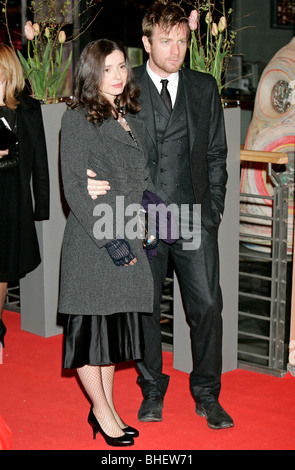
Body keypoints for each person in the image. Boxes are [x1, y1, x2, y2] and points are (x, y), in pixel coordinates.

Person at [87, 1, 234, 430]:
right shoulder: (125, 89)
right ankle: (152, 388)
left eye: (182, 40)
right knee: (145, 308)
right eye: (166, 41)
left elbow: (216, 156)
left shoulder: (204, 88)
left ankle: (207, 393)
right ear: (147, 42)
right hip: (143, 221)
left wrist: (213, 213)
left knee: (206, 307)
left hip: (192, 217)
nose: (176, 49)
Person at [58, 39, 156, 447]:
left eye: (121, 67)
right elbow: (75, 187)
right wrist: (111, 241)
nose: (116, 76)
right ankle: (101, 411)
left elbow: (141, 177)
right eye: (107, 69)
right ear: (90, 73)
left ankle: (110, 409)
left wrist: (151, 221)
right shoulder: (78, 118)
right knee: (88, 334)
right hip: (94, 241)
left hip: (128, 227)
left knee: (111, 334)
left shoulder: (127, 115)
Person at [0, 44, 49, 352]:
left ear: (8, 73)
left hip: (10, 203)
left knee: (2, 271)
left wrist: (41, 206)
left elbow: (39, 163)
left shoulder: (28, 111)